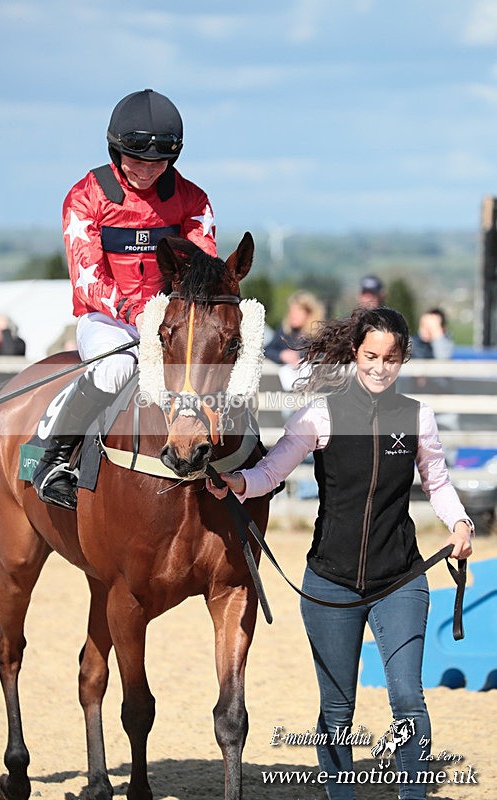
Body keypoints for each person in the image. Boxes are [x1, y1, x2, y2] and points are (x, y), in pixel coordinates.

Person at [206, 306, 473, 800]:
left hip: (401, 580)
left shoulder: (417, 416)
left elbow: (437, 482)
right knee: (336, 710)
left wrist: (459, 522)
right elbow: (272, 471)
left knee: (409, 701)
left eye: (390, 358)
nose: (379, 367)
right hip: (330, 584)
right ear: (356, 353)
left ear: (403, 358)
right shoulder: (319, 414)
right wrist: (239, 483)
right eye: (370, 355)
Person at [32, 89, 217, 510]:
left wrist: (167, 316)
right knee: (116, 370)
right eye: (137, 160)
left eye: (159, 162)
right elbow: (88, 280)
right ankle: (52, 460)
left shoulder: (193, 199)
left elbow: (201, 274)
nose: (148, 170)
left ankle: (244, 458)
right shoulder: (86, 196)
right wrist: (137, 313)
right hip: (107, 318)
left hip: (167, 319)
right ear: (116, 150)